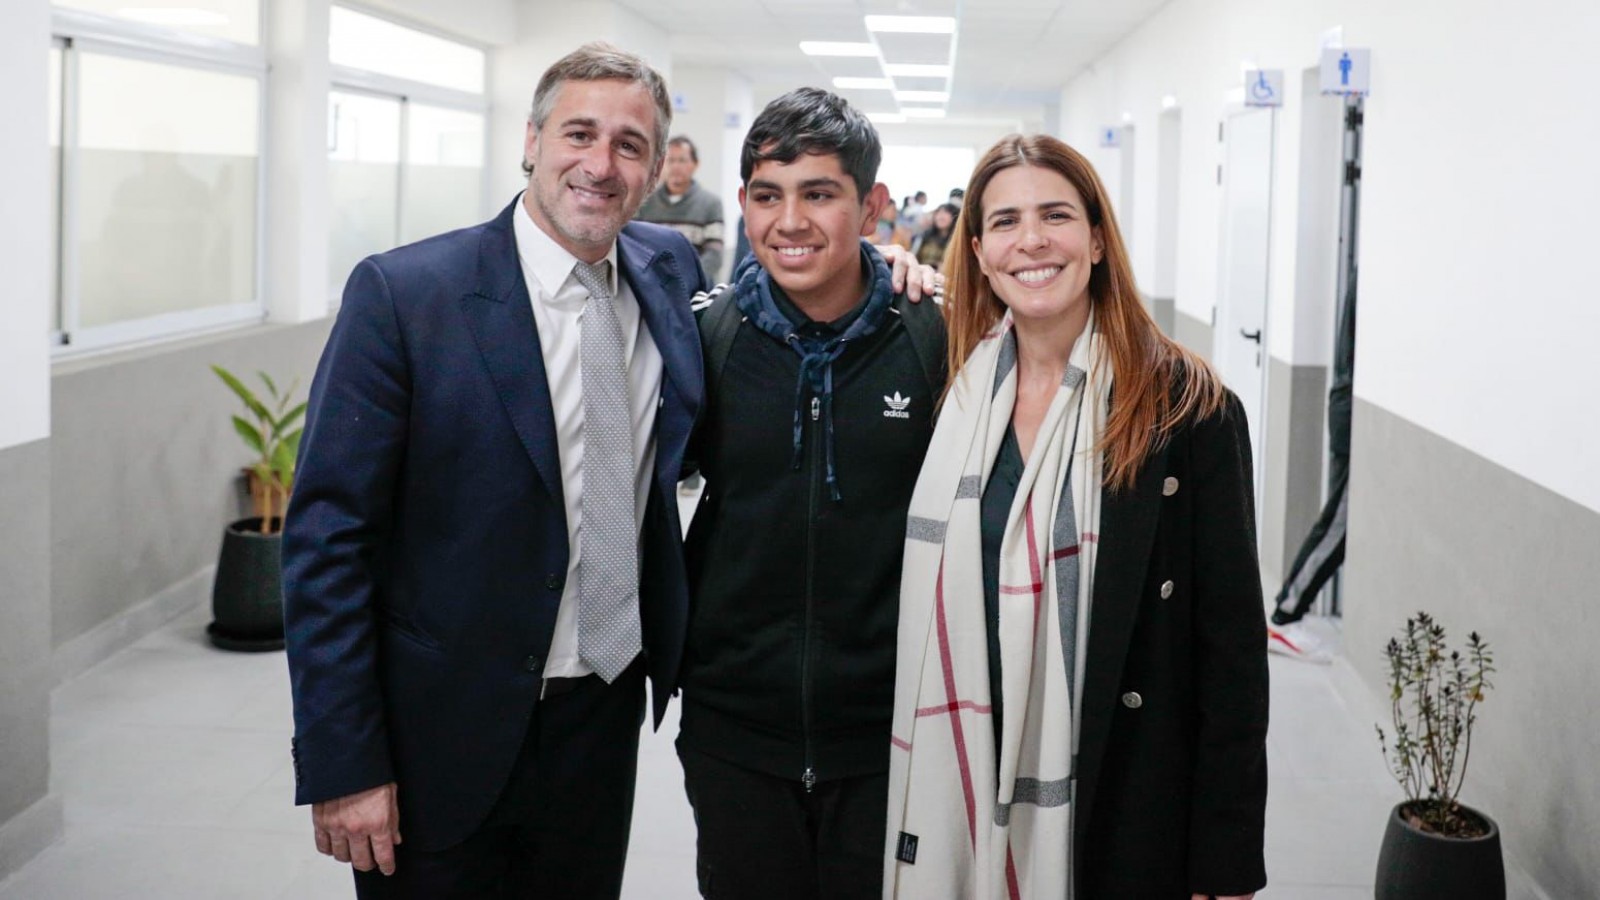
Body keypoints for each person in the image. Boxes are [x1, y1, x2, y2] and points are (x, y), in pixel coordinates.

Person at [282, 43, 710, 898]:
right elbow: (328, 540)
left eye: (630, 145)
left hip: (601, 712)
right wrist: (346, 760)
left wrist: (900, 279)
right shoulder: (408, 296)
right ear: (531, 140)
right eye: (578, 133)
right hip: (439, 724)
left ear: (657, 167)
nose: (600, 163)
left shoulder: (668, 270)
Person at [884, 134, 1268, 899]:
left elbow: (1230, 655)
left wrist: (1224, 861)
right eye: (1005, 222)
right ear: (980, 252)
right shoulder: (950, 389)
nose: (1031, 240)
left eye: (1055, 215)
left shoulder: (1188, 410)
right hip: (962, 770)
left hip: (1121, 796)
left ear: (1096, 238)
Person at [676, 87, 948, 900]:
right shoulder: (706, 337)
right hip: (734, 726)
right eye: (768, 195)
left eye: (818, 194)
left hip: (893, 731)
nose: (789, 221)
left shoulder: (934, 335)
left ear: (871, 207)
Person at [1266, 271, 1357, 663]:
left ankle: (1287, 610)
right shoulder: (1368, 270)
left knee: (1339, 522)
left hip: (1347, 407)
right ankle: (1286, 616)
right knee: (1340, 523)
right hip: (1351, 411)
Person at [636, 134, 726, 279]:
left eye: (682, 160)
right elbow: (635, 248)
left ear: (695, 164)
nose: (675, 167)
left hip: (695, 289)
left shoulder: (711, 204)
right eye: (670, 161)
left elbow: (714, 256)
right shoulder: (644, 202)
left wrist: (685, 280)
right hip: (652, 285)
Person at [910, 202, 959, 271]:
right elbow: (913, 257)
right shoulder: (924, 236)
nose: (941, 216)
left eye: (946, 212)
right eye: (938, 213)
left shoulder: (957, 241)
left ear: (955, 217)